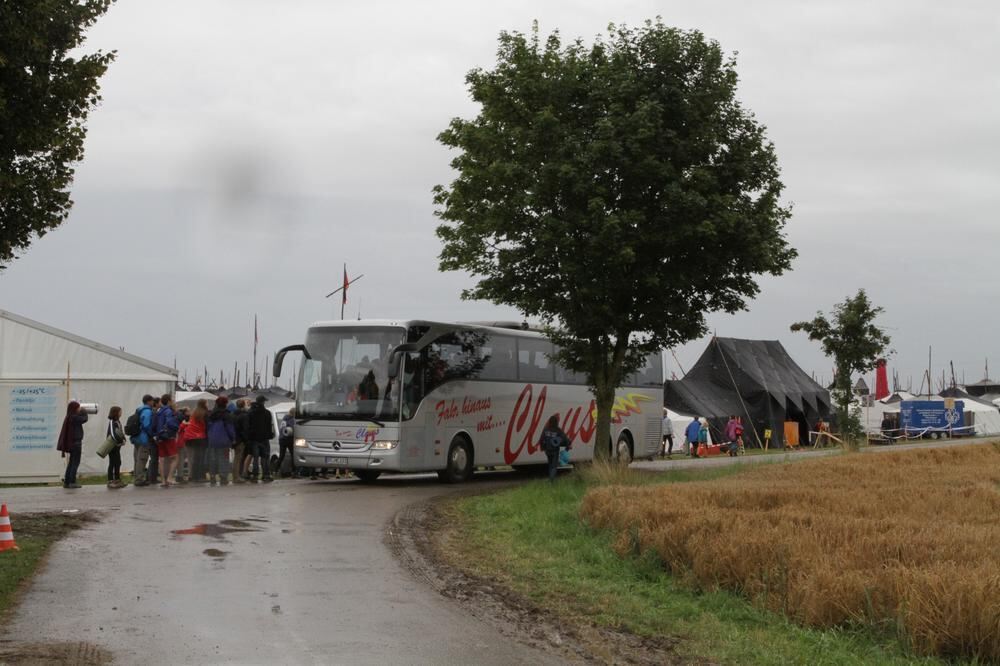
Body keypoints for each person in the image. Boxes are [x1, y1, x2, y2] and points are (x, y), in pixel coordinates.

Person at [56, 401, 88, 489]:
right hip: (76, 444)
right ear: (74, 408)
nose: (79, 409)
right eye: (78, 407)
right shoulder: (74, 417)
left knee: (71, 463)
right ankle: (72, 482)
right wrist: (84, 411)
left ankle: (67, 481)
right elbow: (84, 419)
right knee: (75, 463)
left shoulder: (69, 417)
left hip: (72, 443)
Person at [245, 395, 275, 483]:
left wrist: (249, 437)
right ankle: (266, 475)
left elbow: (248, 426)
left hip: (254, 438)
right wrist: (269, 435)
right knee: (265, 457)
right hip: (264, 438)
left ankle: (255, 475)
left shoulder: (250, 412)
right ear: (263, 402)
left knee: (255, 457)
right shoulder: (267, 413)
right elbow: (269, 426)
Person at [207, 396, 235, 485]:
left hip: (212, 440)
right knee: (223, 459)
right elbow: (230, 429)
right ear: (225, 404)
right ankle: (223, 477)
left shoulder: (211, 415)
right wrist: (233, 438)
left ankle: (212, 476)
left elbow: (207, 427)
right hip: (223, 441)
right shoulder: (227, 415)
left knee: (213, 459)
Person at [154, 394, 181, 488]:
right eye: (172, 400)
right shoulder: (169, 411)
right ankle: (170, 477)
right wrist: (176, 427)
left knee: (162, 459)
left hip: (160, 436)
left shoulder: (159, 411)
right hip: (168, 436)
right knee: (175, 458)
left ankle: (163, 480)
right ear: (169, 401)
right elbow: (170, 423)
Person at [130, 394, 156, 487]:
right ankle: (139, 479)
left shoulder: (139, 410)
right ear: (149, 401)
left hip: (136, 437)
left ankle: (137, 477)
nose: (153, 402)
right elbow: (146, 425)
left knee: (137, 459)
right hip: (144, 438)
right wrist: (152, 434)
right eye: (152, 401)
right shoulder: (147, 411)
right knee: (142, 459)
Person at [539, 414, 570, 482]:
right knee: (554, 466)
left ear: (549, 422)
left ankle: (551, 479)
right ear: (556, 422)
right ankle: (551, 480)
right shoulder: (558, 430)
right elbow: (565, 439)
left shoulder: (546, 429)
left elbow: (541, 439)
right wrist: (568, 446)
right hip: (555, 451)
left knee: (550, 465)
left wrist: (543, 448)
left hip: (547, 450)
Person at [185, 399, 209, 482]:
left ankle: (194, 475)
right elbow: (206, 426)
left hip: (190, 436)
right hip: (199, 436)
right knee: (201, 458)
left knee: (195, 458)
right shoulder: (204, 413)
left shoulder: (194, 412)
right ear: (204, 404)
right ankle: (199, 477)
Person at [106, 406, 127, 488]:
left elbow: (120, 432)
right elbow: (112, 433)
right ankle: (110, 480)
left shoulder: (118, 421)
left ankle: (117, 479)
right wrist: (119, 441)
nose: (121, 413)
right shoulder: (112, 422)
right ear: (115, 412)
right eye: (120, 411)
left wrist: (123, 439)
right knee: (112, 462)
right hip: (112, 445)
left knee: (118, 462)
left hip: (117, 446)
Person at [232, 399, 249, 483]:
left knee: (236, 458)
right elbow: (245, 429)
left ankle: (235, 475)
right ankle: (237, 477)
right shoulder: (244, 415)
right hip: (241, 440)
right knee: (238, 458)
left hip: (235, 438)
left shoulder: (233, 414)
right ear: (243, 405)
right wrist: (246, 439)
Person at [277, 408, 296, 478]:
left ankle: (274, 470)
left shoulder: (284, 418)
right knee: (293, 455)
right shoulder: (291, 419)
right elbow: (293, 429)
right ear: (293, 413)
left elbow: (281, 429)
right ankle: (294, 472)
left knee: (281, 456)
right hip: (288, 439)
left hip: (281, 439)